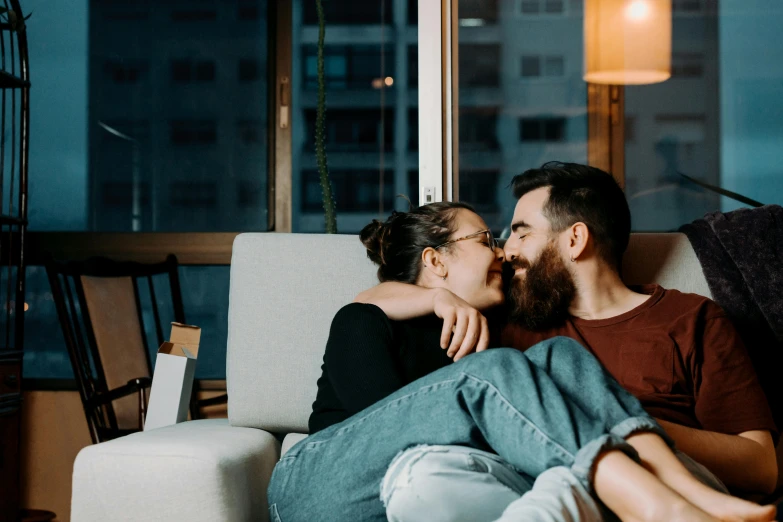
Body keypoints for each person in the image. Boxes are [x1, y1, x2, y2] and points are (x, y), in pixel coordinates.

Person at [266, 201, 776, 522]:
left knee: (558, 355)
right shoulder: (366, 320)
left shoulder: (494, 328)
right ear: (435, 260)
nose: (502, 252)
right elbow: (377, 432)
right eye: (485, 239)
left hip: (432, 482)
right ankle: (649, 503)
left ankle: (683, 490)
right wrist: (434, 300)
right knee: (500, 370)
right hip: (318, 485)